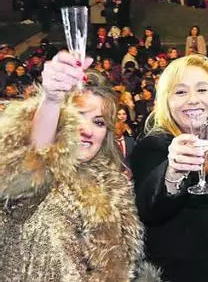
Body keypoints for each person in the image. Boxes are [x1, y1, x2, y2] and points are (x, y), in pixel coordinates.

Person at [0, 53, 159, 281]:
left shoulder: (115, 191)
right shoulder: (35, 179)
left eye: (99, 122)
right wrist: (51, 100)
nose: (87, 129)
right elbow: (36, 155)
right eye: (77, 115)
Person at [129, 55, 208, 282]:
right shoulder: (153, 147)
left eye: (202, 90)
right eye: (180, 92)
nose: (192, 100)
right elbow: (150, 208)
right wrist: (172, 173)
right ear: (166, 101)